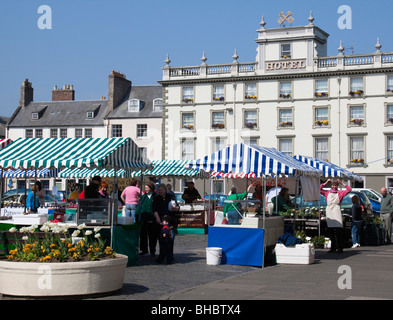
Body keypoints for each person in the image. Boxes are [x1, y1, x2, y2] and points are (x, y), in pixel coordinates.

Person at [320, 179, 352, 253]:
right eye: (333, 185)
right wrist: (325, 183)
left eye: (336, 185)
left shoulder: (340, 193)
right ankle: (333, 248)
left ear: (337, 186)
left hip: (336, 211)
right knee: (331, 231)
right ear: (331, 186)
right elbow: (319, 189)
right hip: (330, 211)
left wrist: (342, 183)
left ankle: (340, 247)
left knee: (338, 230)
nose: (334, 187)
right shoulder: (327, 193)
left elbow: (349, 189)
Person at [137, 182, 159, 256]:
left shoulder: (155, 196)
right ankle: (144, 249)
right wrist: (137, 216)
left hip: (152, 219)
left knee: (153, 236)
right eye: (145, 188)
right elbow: (139, 207)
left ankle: (152, 250)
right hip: (144, 218)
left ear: (151, 188)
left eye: (147, 188)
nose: (146, 190)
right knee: (143, 235)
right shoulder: (143, 197)